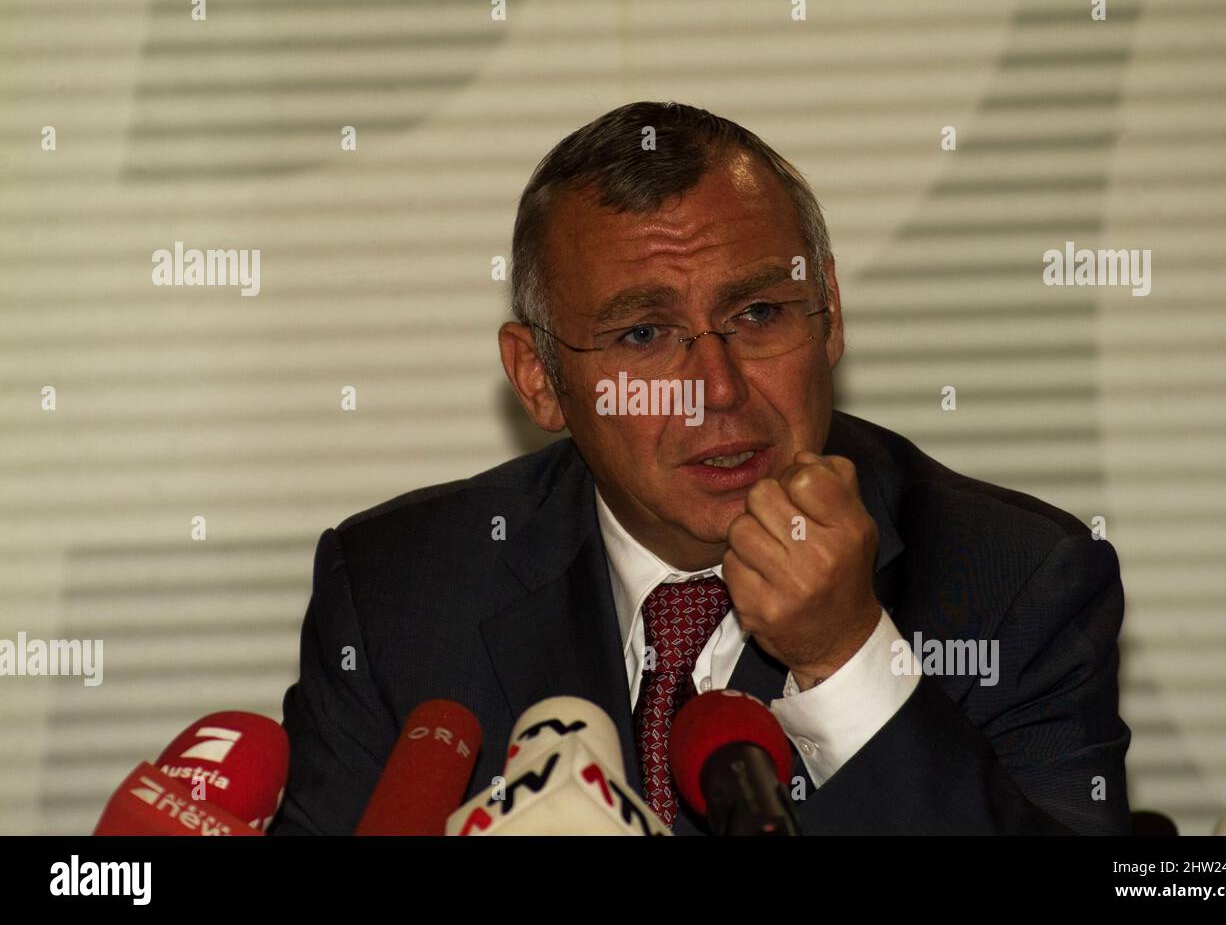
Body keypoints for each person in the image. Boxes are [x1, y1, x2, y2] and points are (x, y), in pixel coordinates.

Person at [270, 101, 1131, 835]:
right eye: (643, 335)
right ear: (540, 378)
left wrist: (844, 657)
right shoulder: (396, 593)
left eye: (759, 312)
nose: (717, 389)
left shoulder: (1018, 579)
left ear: (828, 317)